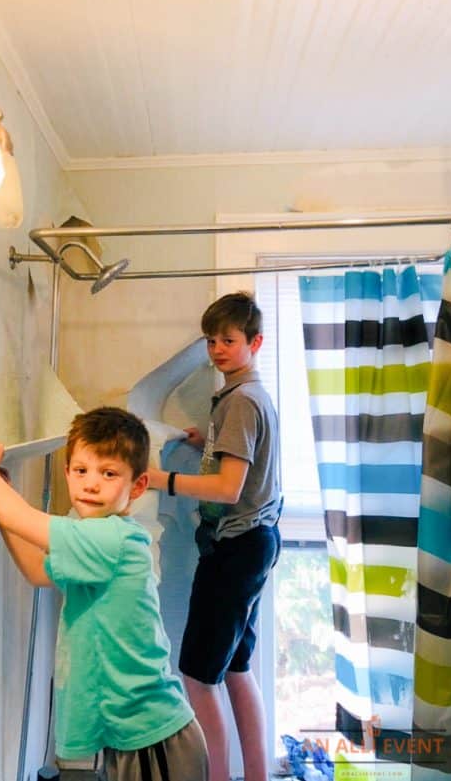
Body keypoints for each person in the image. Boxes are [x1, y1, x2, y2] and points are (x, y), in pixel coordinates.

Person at [0, 406, 209, 781]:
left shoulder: (112, 539)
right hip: (128, 733)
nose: (91, 483)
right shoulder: (87, 537)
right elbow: (36, 569)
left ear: (138, 487)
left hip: (154, 738)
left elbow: (23, 520)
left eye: (109, 473)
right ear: (67, 473)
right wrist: (0, 501)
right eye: (81, 470)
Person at [148, 292, 282, 781]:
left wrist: (162, 480)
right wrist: (208, 443)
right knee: (236, 669)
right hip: (256, 541)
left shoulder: (241, 401)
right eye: (211, 339)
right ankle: (255, 776)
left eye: (228, 339)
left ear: (255, 342)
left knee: (198, 678)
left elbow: (228, 488)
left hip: (237, 547)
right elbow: (244, 459)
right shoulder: (247, 395)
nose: (217, 349)